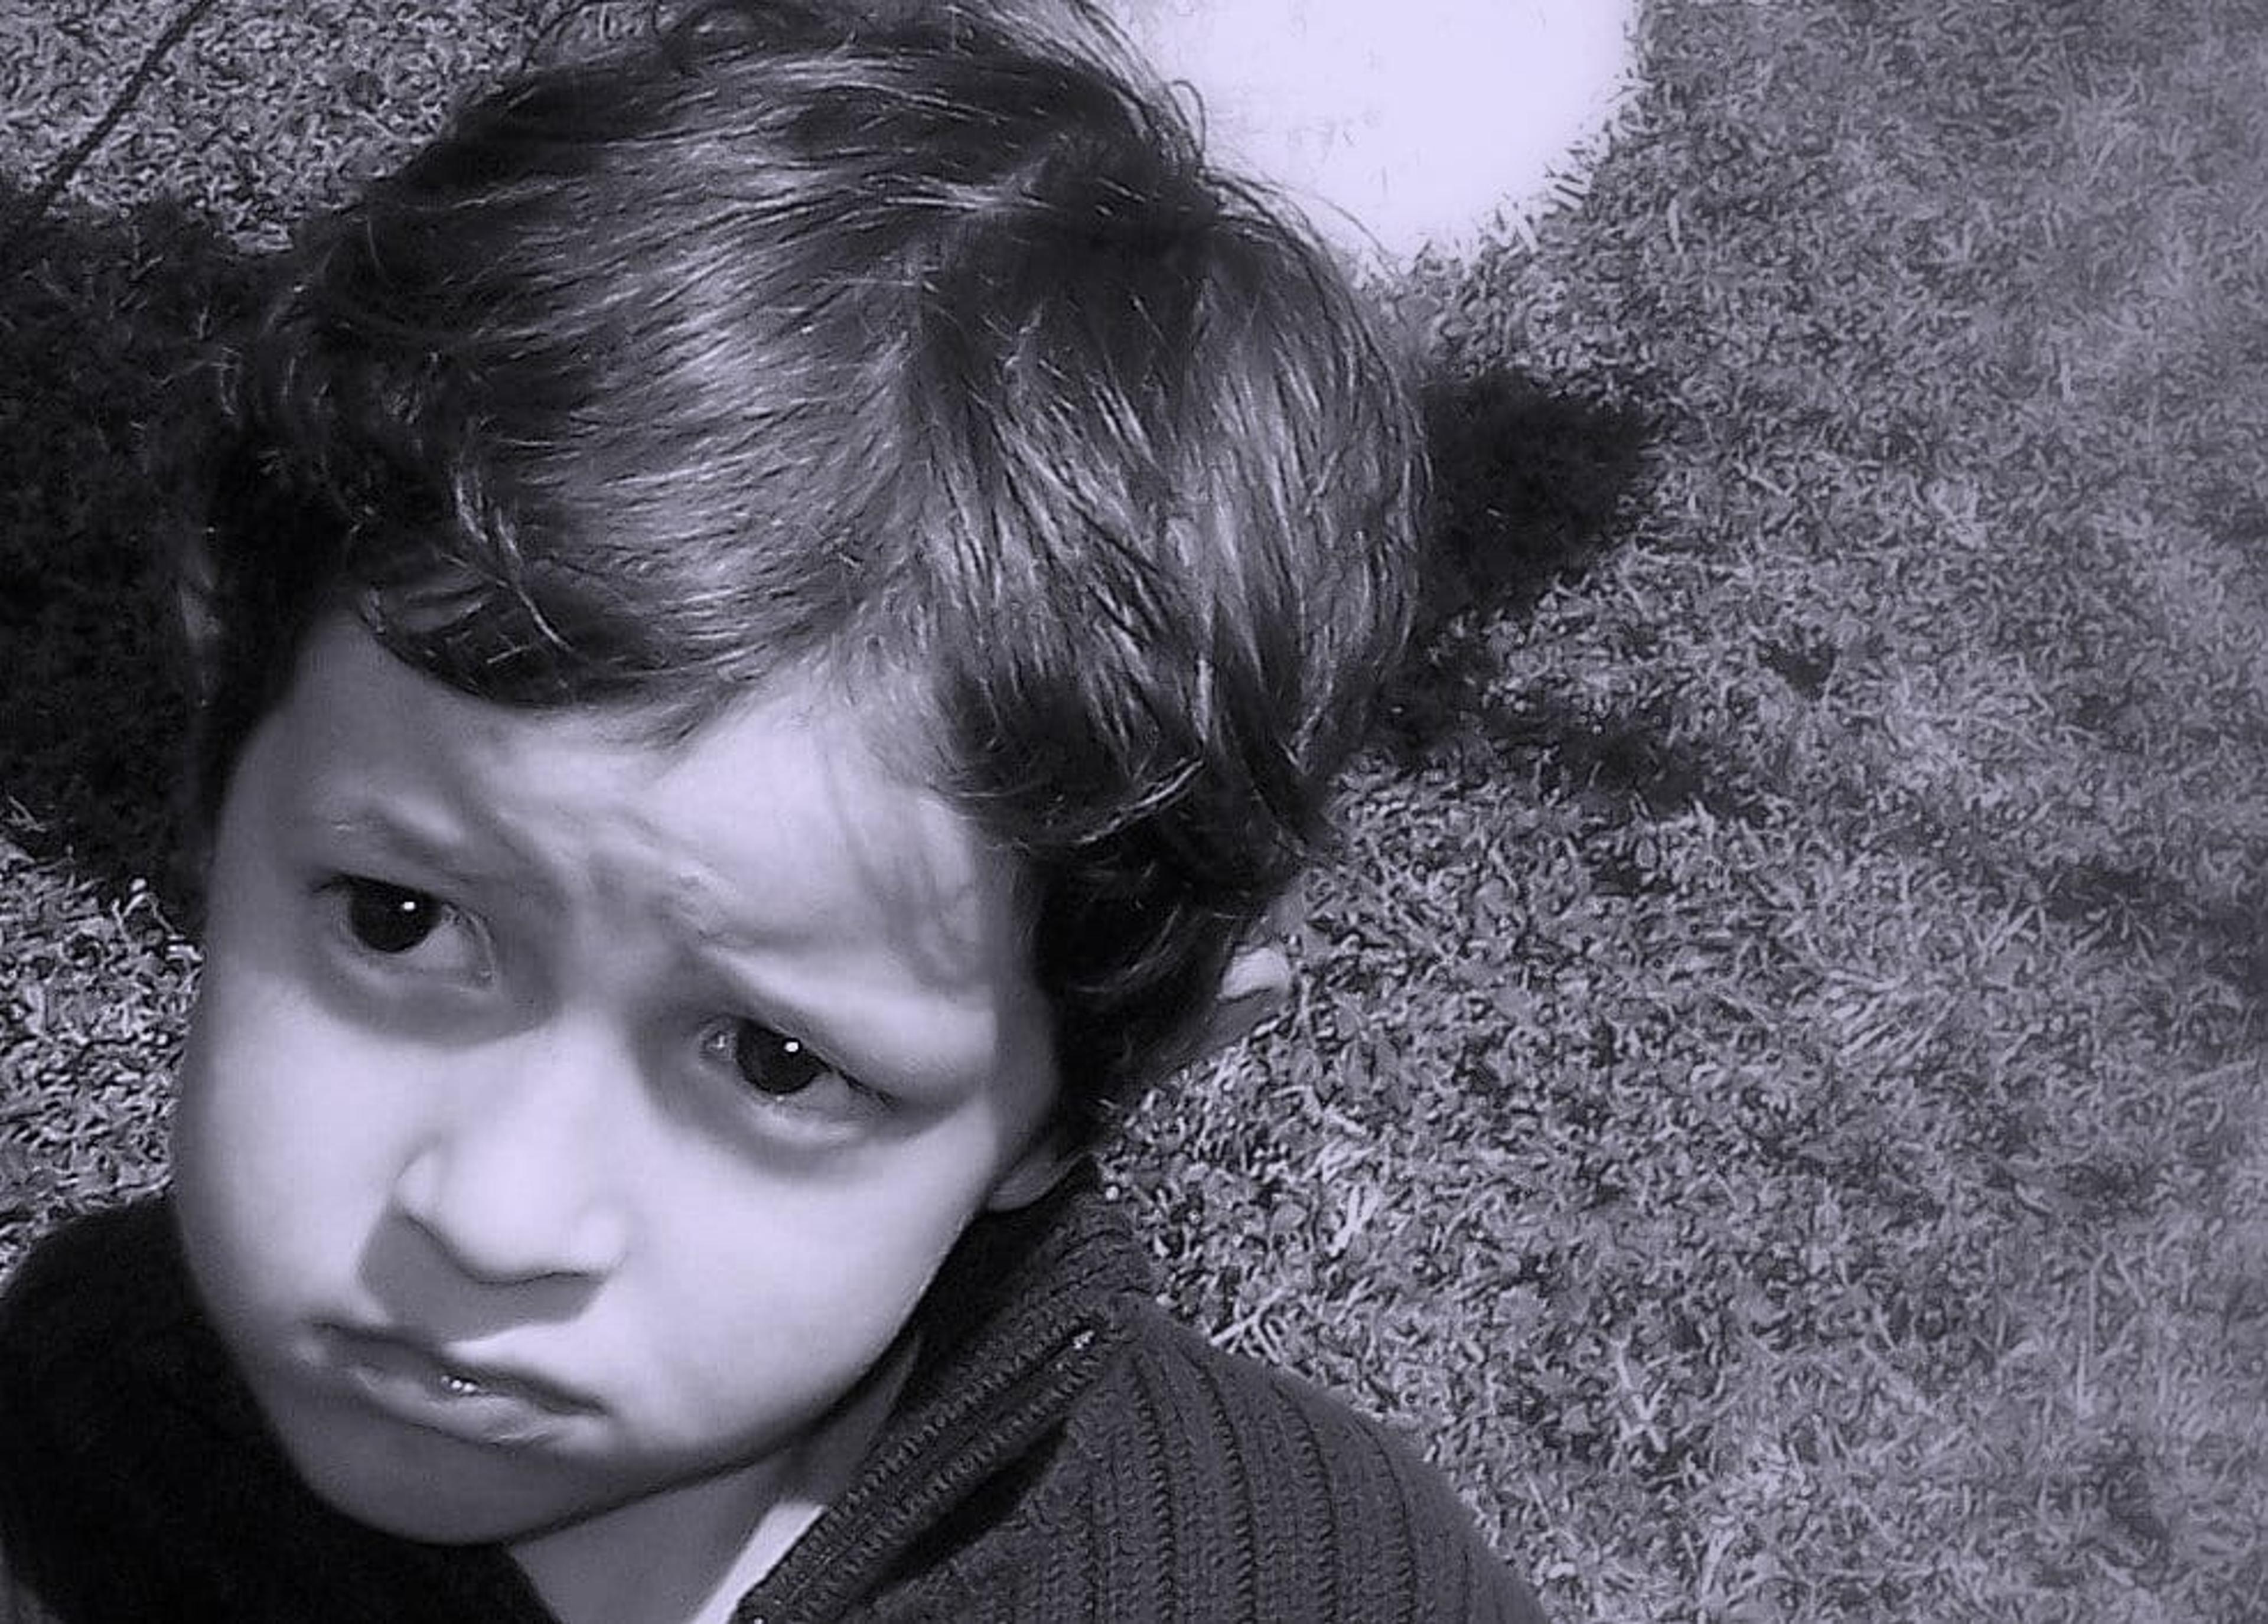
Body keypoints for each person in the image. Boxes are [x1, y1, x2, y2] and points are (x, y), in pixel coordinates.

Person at [0, 2, 1544, 1619]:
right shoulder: (99, 1427)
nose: (494, 1215)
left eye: (776, 1061)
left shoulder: (1314, 1584)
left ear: (1092, 1091)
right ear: (226, 753)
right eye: (402, 921)